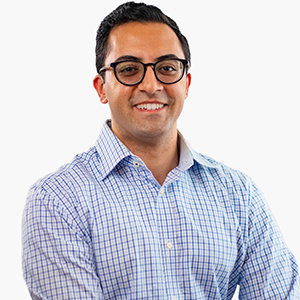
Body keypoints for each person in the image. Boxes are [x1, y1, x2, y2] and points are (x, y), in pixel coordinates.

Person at [22, 2, 300, 299]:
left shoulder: (239, 194)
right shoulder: (57, 200)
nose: (152, 85)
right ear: (101, 87)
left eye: (167, 68)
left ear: (186, 83)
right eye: (129, 69)